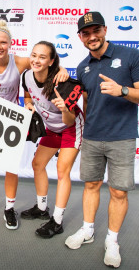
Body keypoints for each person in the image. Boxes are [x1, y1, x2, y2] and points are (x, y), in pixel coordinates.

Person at [64, 11, 139, 268]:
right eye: (86, 33)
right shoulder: (83, 67)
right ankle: (88, 230)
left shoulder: (131, 56)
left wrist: (122, 90)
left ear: (104, 30)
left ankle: (112, 240)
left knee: (117, 191)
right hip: (92, 136)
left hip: (121, 137)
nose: (91, 37)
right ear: (80, 37)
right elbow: (86, 101)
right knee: (91, 186)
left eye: (96, 31)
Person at [0, 20, 70, 230]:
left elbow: (45, 63)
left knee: (10, 167)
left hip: (11, 120)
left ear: (10, 44)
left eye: (3, 42)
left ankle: (9, 208)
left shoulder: (20, 62)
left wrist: (63, 69)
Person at [21, 41, 84, 238]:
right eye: (34, 55)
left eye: (42, 57)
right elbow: (28, 95)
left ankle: (57, 221)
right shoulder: (26, 76)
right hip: (51, 128)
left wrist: (65, 108)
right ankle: (41, 208)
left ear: (51, 61)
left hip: (71, 127)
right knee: (37, 164)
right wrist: (29, 105)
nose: (36, 60)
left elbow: (70, 118)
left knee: (62, 171)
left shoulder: (62, 82)